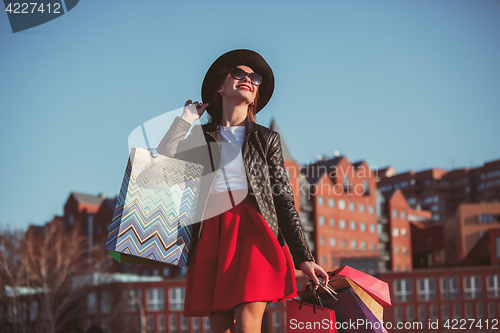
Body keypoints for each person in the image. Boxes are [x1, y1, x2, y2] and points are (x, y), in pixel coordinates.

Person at [157, 49, 328, 333]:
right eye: (238, 73)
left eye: (254, 77)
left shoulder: (265, 139)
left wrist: (304, 258)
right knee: (220, 328)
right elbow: (162, 164)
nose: (247, 79)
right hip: (211, 233)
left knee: (248, 325)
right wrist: (186, 121)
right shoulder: (202, 137)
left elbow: (283, 200)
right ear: (220, 88)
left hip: (254, 231)